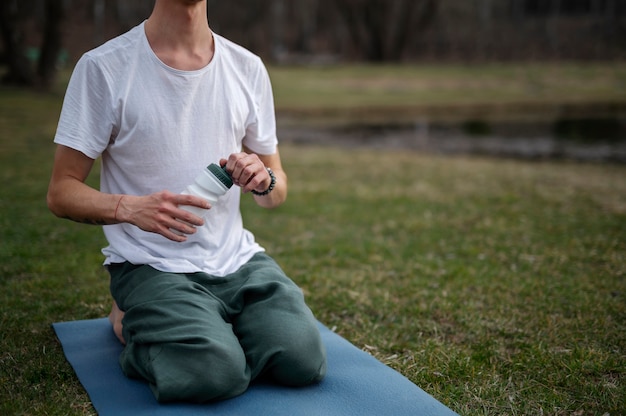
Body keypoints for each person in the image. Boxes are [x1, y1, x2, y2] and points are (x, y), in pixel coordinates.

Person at [47, 0, 326, 403]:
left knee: (303, 361)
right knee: (215, 374)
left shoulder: (247, 67)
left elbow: (276, 190)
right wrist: (130, 208)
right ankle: (129, 318)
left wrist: (264, 181)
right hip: (151, 264)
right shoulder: (104, 67)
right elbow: (61, 191)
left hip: (237, 262)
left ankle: (208, 323)